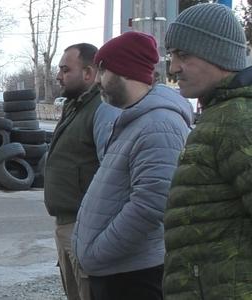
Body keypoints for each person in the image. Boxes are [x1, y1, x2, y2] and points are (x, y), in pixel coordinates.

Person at [71, 31, 192, 300]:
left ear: (124, 70)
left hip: (132, 276)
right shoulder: (134, 120)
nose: (98, 81)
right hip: (118, 272)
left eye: (104, 71)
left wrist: (97, 252)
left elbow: (151, 205)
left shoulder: (159, 125)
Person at [163, 4, 252, 299]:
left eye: (183, 55)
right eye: (172, 56)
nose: (173, 67)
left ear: (218, 54)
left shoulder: (237, 119)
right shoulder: (221, 113)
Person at [45, 43, 120, 300]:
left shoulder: (102, 109)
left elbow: (112, 172)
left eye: (66, 70)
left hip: (85, 227)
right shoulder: (75, 106)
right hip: (66, 224)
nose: (58, 76)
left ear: (89, 73)